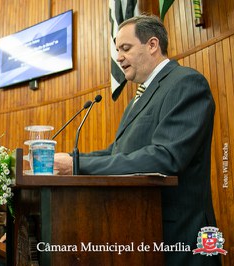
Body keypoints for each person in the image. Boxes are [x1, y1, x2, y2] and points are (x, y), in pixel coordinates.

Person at [54, 15, 220, 266]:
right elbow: (116, 153)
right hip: (142, 227)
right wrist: (68, 160)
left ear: (152, 45)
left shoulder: (186, 82)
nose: (118, 57)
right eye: (117, 50)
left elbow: (165, 157)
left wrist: (77, 166)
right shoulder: (137, 99)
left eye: (125, 48)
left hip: (179, 237)